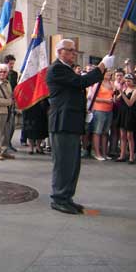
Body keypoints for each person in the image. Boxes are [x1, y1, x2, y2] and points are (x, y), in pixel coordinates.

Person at [46, 39, 114, 214]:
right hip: (62, 123)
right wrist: (101, 67)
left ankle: (67, 197)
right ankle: (59, 198)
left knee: (72, 164)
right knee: (63, 164)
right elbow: (80, 83)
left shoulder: (67, 69)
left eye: (74, 51)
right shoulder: (56, 69)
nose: (74, 53)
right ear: (60, 51)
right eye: (71, 50)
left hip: (71, 123)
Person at [88, 71, 114, 161]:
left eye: (110, 74)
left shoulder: (111, 84)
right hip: (99, 109)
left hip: (109, 110)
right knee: (97, 131)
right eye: (108, 73)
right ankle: (97, 153)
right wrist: (106, 101)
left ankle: (104, 153)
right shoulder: (98, 83)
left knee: (105, 132)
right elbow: (92, 97)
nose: (109, 75)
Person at [116, 73, 136, 164]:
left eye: (129, 81)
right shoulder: (125, 88)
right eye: (126, 81)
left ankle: (131, 157)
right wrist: (119, 92)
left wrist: (122, 93)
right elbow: (117, 99)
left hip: (130, 114)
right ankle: (122, 155)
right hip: (122, 113)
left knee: (130, 136)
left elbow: (130, 103)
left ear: (133, 81)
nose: (127, 82)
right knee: (122, 135)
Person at [109, 68, 125, 157]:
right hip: (114, 109)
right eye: (117, 75)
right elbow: (114, 99)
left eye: (121, 75)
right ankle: (112, 149)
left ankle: (118, 150)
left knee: (120, 131)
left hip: (122, 110)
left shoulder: (125, 85)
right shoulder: (112, 84)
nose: (119, 77)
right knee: (114, 130)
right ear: (114, 76)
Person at [4, 54, 18, 152]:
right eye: (10, 63)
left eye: (13, 63)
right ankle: (4, 144)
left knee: (12, 124)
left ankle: (9, 142)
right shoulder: (1, 73)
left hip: (12, 101)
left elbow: (15, 87)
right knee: (5, 124)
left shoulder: (14, 74)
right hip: (4, 102)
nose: (12, 65)